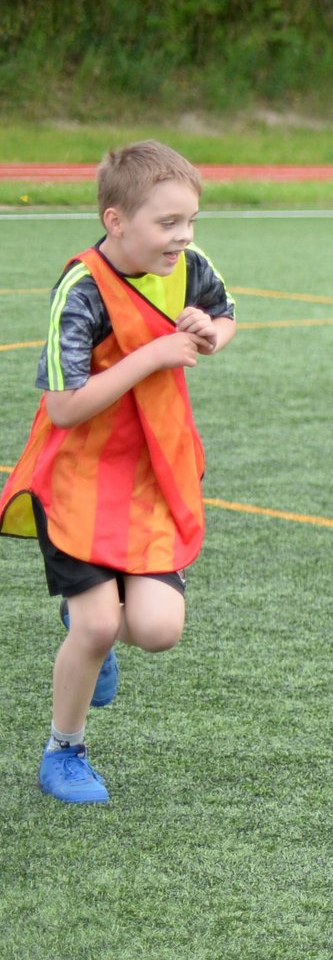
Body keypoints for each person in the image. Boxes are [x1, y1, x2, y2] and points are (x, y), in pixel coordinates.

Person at [1, 140, 236, 804]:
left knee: (159, 629)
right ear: (117, 220)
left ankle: (84, 627)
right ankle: (65, 749)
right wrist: (153, 354)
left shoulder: (187, 265)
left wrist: (209, 332)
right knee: (100, 623)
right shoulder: (81, 288)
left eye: (190, 221)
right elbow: (64, 406)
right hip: (78, 479)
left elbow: (226, 316)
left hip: (153, 475)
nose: (183, 236)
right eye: (168, 223)